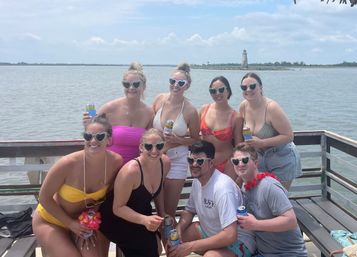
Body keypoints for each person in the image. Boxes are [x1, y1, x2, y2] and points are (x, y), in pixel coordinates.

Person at [32, 114, 123, 257]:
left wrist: (90, 218)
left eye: (99, 136)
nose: (93, 141)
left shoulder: (115, 162)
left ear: (109, 139)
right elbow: (44, 197)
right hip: (50, 220)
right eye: (88, 136)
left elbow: (108, 194)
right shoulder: (67, 164)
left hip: (83, 223)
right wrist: (71, 224)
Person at [168, 140, 255, 257]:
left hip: (237, 243)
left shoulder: (223, 188)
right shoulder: (197, 181)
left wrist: (191, 246)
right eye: (190, 160)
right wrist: (178, 229)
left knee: (211, 255)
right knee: (174, 243)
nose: (194, 165)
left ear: (211, 163)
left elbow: (230, 235)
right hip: (211, 234)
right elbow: (189, 211)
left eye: (200, 161)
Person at [99, 128, 170, 257]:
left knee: (156, 247)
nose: (154, 151)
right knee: (148, 249)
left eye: (159, 146)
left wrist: (162, 213)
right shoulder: (131, 171)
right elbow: (118, 208)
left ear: (164, 146)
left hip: (141, 211)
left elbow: (159, 189)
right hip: (115, 217)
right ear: (141, 147)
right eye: (149, 146)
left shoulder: (165, 163)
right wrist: (144, 220)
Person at [232, 144, 307, 257]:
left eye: (245, 160)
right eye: (236, 162)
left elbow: (291, 221)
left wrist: (255, 224)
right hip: (263, 253)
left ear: (256, 163)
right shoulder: (244, 188)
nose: (240, 164)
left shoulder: (269, 186)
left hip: (289, 254)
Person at [239, 72, 302, 190]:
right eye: (244, 87)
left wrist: (262, 143)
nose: (248, 89)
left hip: (282, 157)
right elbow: (244, 131)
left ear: (260, 87)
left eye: (252, 86)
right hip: (260, 158)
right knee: (260, 195)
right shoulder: (243, 106)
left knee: (279, 197)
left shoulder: (272, 107)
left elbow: (289, 136)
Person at [152, 63, 200, 218]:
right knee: (156, 209)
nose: (175, 85)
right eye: (172, 81)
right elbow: (148, 126)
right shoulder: (159, 99)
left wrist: (177, 139)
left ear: (187, 86)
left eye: (180, 83)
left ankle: (169, 242)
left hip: (177, 159)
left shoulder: (190, 110)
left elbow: (195, 139)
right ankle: (156, 241)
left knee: (169, 212)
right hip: (155, 157)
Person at [83, 62, 153, 164]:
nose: (131, 88)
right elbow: (92, 136)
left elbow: (151, 144)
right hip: (109, 165)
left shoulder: (149, 113)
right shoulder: (109, 108)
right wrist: (88, 124)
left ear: (144, 86)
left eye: (136, 84)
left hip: (135, 169)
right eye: (126, 84)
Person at [199, 75, 243, 180]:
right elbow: (193, 133)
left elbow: (239, 146)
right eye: (213, 91)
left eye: (221, 89)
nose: (217, 93)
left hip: (227, 163)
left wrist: (240, 173)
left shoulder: (236, 117)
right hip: (205, 163)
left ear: (228, 91)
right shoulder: (203, 109)